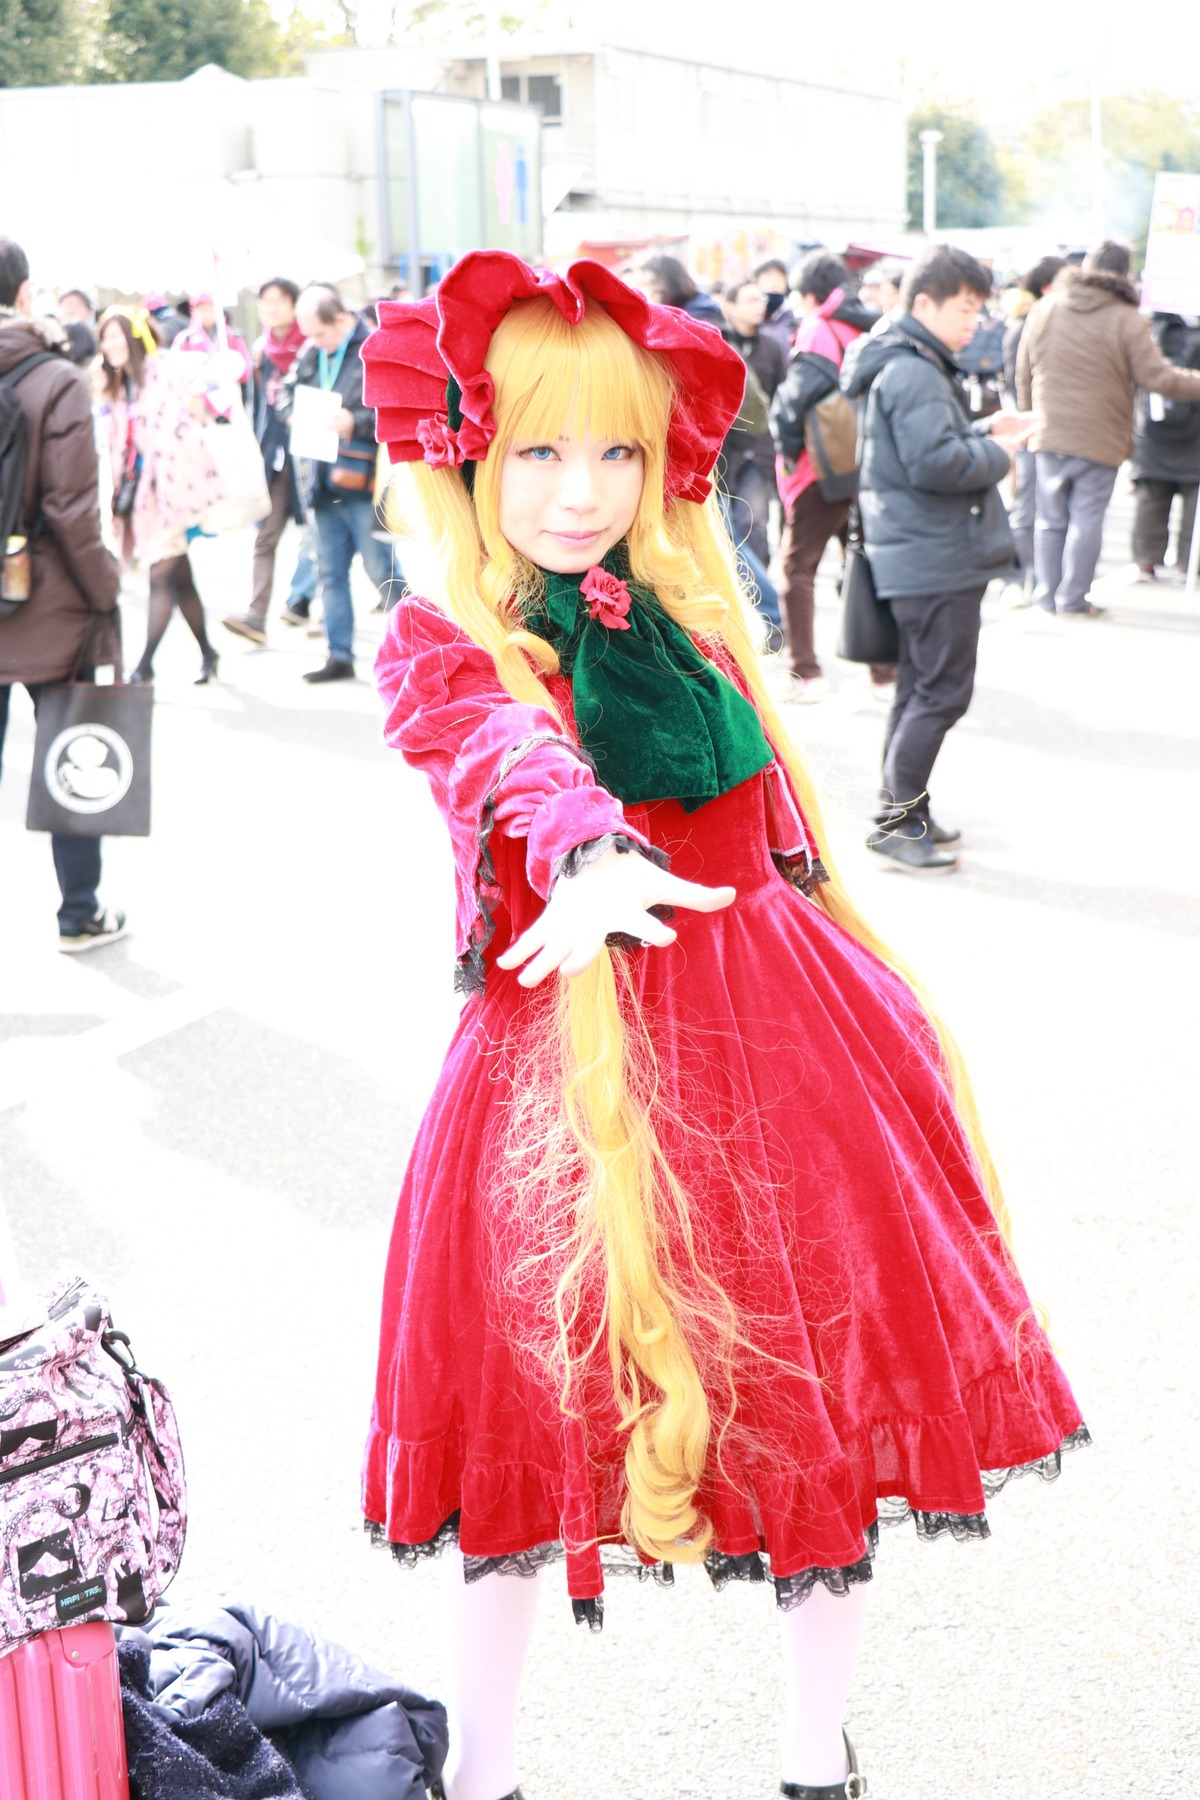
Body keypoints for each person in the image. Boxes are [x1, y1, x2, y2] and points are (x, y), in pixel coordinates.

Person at [359, 251, 1086, 1800]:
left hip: (780, 1049)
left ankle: (815, 1756)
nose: (580, 490)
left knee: (812, 1401)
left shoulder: (694, 612)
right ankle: (480, 1774)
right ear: (474, 448)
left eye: (616, 450)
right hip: (567, 1064)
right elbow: (495, 747)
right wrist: (582, 844)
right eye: (542, 449)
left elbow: (772, 829)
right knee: (522, 1414)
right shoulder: (444, 640)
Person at [842, 245, 1032, 872]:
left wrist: (984, 435)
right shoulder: (915, 368)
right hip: (933, 555)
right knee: (940, 693)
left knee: (920, 689)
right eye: (966, 308)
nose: (974, 321)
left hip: (920, 551)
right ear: (924, 303)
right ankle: (899, 822)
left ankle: (902, 812)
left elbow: (930, 451)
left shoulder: (904, 361)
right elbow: (937, 465)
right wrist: (1002, 453)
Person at [0, 237, 125, 950]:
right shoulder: (56, 379)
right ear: (23, 294)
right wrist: (106, 592)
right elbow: (73, 513)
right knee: (71, 756)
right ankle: (79, 913)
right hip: (47, 604)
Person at [1017, 239, 1200, 615]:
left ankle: (1046, 597)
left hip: (1047, 429)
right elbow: (1157, 377)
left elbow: (1023, 369)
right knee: (1086, 519)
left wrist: (1027, 418)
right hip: (1100, 438)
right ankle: (1072, 599)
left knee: (1050, 521)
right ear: (1123, 273)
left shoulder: (1047, 307)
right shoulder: (1126, 318)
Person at [769, 252, 879, 703]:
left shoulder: (818, 328)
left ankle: (805, 672)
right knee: (864, 563)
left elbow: (796, 400)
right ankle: (885, 672)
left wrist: (786, 447)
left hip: (822, 466)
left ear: (810, 294)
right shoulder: (869, 324)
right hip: (866, 462)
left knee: (797, 568)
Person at [97, 308, 224, 685]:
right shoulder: (118, 384)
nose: (110, 345)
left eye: (117, 336)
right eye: (104, 338)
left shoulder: (163, 369)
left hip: (170, 493)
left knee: (161, 578)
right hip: (140, 498)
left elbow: (198, 404)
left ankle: (144, 666)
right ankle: (209, 653)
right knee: (180, 579)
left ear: (136, 337)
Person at [283, 283, 394, 683]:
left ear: (342, 319)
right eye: (311, 334)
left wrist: (357, 421)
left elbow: (393, 405)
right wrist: (291, 412)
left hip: (360, 477)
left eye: (321, 333)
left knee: (383, 568)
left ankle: (422, 651)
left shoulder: (373, 348)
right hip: (320, 475)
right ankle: (339, 653)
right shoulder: (312, 353)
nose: (315, 342)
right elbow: (283, 392)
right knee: (329, 571)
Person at [222, 277, 307, 646]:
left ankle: (309, 604)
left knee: (328, 539)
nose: (271, 307)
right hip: (275, 458)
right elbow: (257, 409)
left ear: (295, 305)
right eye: (265, 301)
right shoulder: (261, 350)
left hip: (311, 457)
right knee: (266, 538)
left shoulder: (314, 344)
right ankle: (257, 616)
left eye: (280, 300)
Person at [1000, 256, 1066, 600]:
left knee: (1043, 508)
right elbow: (1016, 381)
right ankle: (1016, 579)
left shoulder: (1047, 320)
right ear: (1046, 287)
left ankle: (1038, 580)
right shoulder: (1026, 323)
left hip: (1044, 428)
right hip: (1028, 429)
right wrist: (1025, 421)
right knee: (1027, 507)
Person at [719, 277, 785, 572]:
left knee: (754, 522)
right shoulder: (717, 340)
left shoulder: (771, 346)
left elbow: (782, 392)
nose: (759, 306)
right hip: (722, 450)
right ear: (729, 306)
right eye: (750, 300)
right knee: (722, 523)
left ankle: (758, 590)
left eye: (761, 300)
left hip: (759, 449)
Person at [1130, 312, 1200, 580]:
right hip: (1196, 433)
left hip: (1152, 429)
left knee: (1151, 497)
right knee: (1196, 500)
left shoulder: (1150, 329)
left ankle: (1146, 562)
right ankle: (1190, 564)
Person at [172, 292, 253, 396]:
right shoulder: (185, 339)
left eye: (209, 308)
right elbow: (176, 368)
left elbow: (245, 370)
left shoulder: (233, 337)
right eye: (201, 309)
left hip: (228, 397)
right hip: (198, 399)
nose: (206, 313)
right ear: (194, 311)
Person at [623, 253, 724, 327]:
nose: (639, 293)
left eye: (643, 285)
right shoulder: (695, 307)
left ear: (663, 283)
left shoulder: (699, 314)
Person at [754, 256, 800, 352]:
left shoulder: (795, 315)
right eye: (769, 277)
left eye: (780, 278)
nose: (775, 283)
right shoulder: (750, 316)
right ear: (756, 281)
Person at [57, 288, 97, 367]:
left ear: (89, 312)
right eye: (68, 304)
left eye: (78, 305)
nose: (72, 309)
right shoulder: (51, 340)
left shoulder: (99, 339)